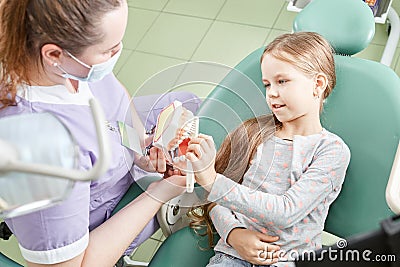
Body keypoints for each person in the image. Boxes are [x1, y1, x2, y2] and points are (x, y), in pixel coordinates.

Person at [0, 1, 194, 266]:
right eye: (109, 51)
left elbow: (113, 93)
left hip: (114, 149)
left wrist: (142, 147)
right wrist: (158, 194)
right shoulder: (39, 155)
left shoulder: (64, 59)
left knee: (193, 104)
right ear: (54, 54)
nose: (116, 55)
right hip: (98, 221)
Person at [187, 32, 351, 266]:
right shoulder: (253, 134)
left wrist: (212, 181)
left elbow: (286, 212)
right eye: (267, 84)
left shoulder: (331, 151)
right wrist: (234, 235)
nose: (271, 92)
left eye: (282, 81)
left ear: (318, 84)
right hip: (232, 255)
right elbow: (216, 201)